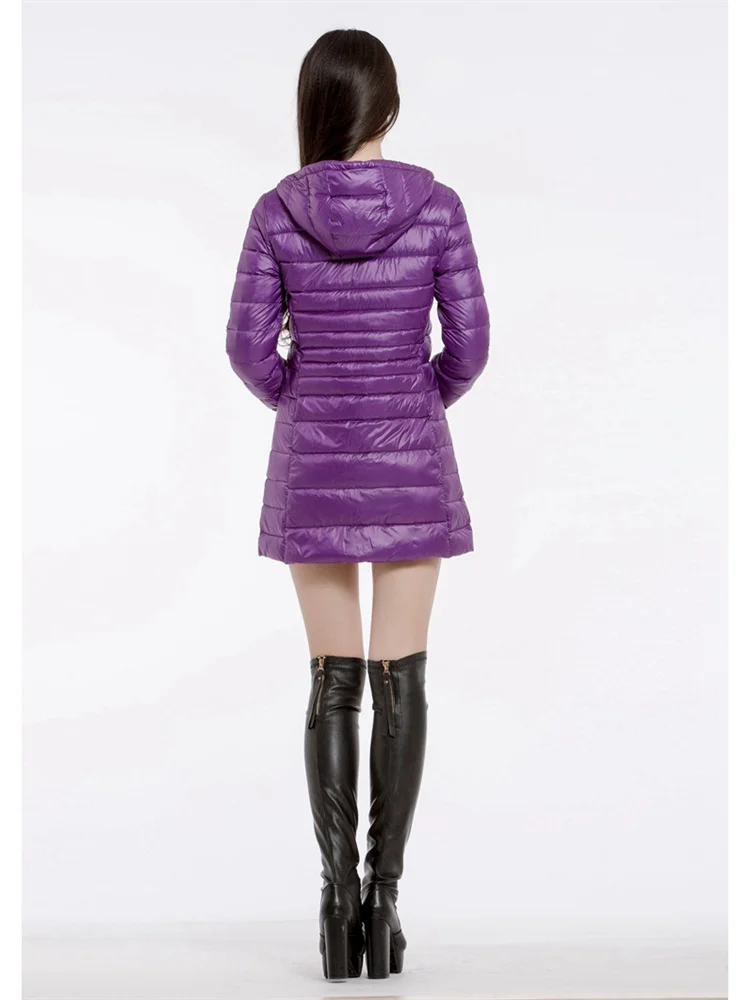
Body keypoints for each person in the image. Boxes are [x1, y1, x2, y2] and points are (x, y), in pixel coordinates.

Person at [225, 28, 491, 983]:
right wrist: (415, 401)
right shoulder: (438, 207)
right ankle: (385, 903)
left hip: (315, 468)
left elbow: (248, 350)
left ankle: (338, 903)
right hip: (410, 464)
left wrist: (307, 401)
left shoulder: (275, 212)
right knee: (400, 679)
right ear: (389, 107)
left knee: (333, 682)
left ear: (314, 107)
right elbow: (470, 347)